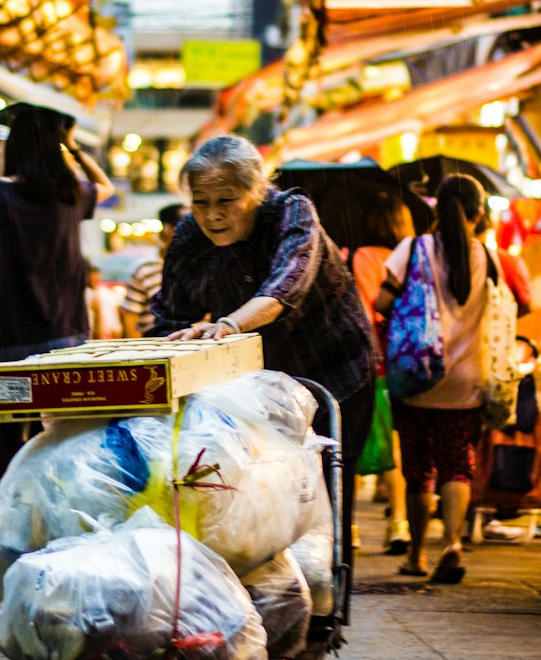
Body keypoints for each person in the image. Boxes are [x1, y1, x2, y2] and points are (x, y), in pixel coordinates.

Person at [149, 135, 378, 583]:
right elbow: (169, 316)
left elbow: (283, 287)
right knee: (261, 485)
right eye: (201, 202)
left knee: (326, 489)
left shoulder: (292, 212)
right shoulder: (191, 233)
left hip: (336, 370)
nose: (213, 214)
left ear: (257, 190)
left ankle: (325, 583)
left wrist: (229, 324)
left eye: (227, 200)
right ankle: (266, 584)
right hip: (262, 384)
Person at [0, 105, 115, 479]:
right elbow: (107, 188)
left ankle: (13, 524)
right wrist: (73, 148)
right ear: (54, 147)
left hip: (8, 344)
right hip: (64, 340)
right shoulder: (70, 194)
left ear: (14, 146)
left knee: (11, 437)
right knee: (63, 433)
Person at [375, 174, 493, 585]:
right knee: (457, 466)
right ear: (479, 213)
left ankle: (416, 555)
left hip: (417, 375)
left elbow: (382, 302)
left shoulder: (412, 248)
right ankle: (454, 544)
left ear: (436, 210)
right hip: (467, 380)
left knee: (419, 469)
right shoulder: (485, 256)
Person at [352, 188, 415, 556]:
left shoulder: (362, 256)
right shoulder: (410, 255)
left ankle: (354, 526)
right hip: (407, 358)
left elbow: (365, 309)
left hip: (373, 358)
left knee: (360, 438)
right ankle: (399, 524)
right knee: (395, 443)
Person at [120, 203, 188, 337]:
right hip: (155, 342)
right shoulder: (146, 268)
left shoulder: (198, 265)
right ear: (168, 229)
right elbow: (130, 317)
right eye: (184, 227)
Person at [86, 258, 123, 340]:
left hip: (113, 336)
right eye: (91, 274)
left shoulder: (107, 291)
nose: (94, 277)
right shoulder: (89, 294)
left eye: (96, 273)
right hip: (101, 337)